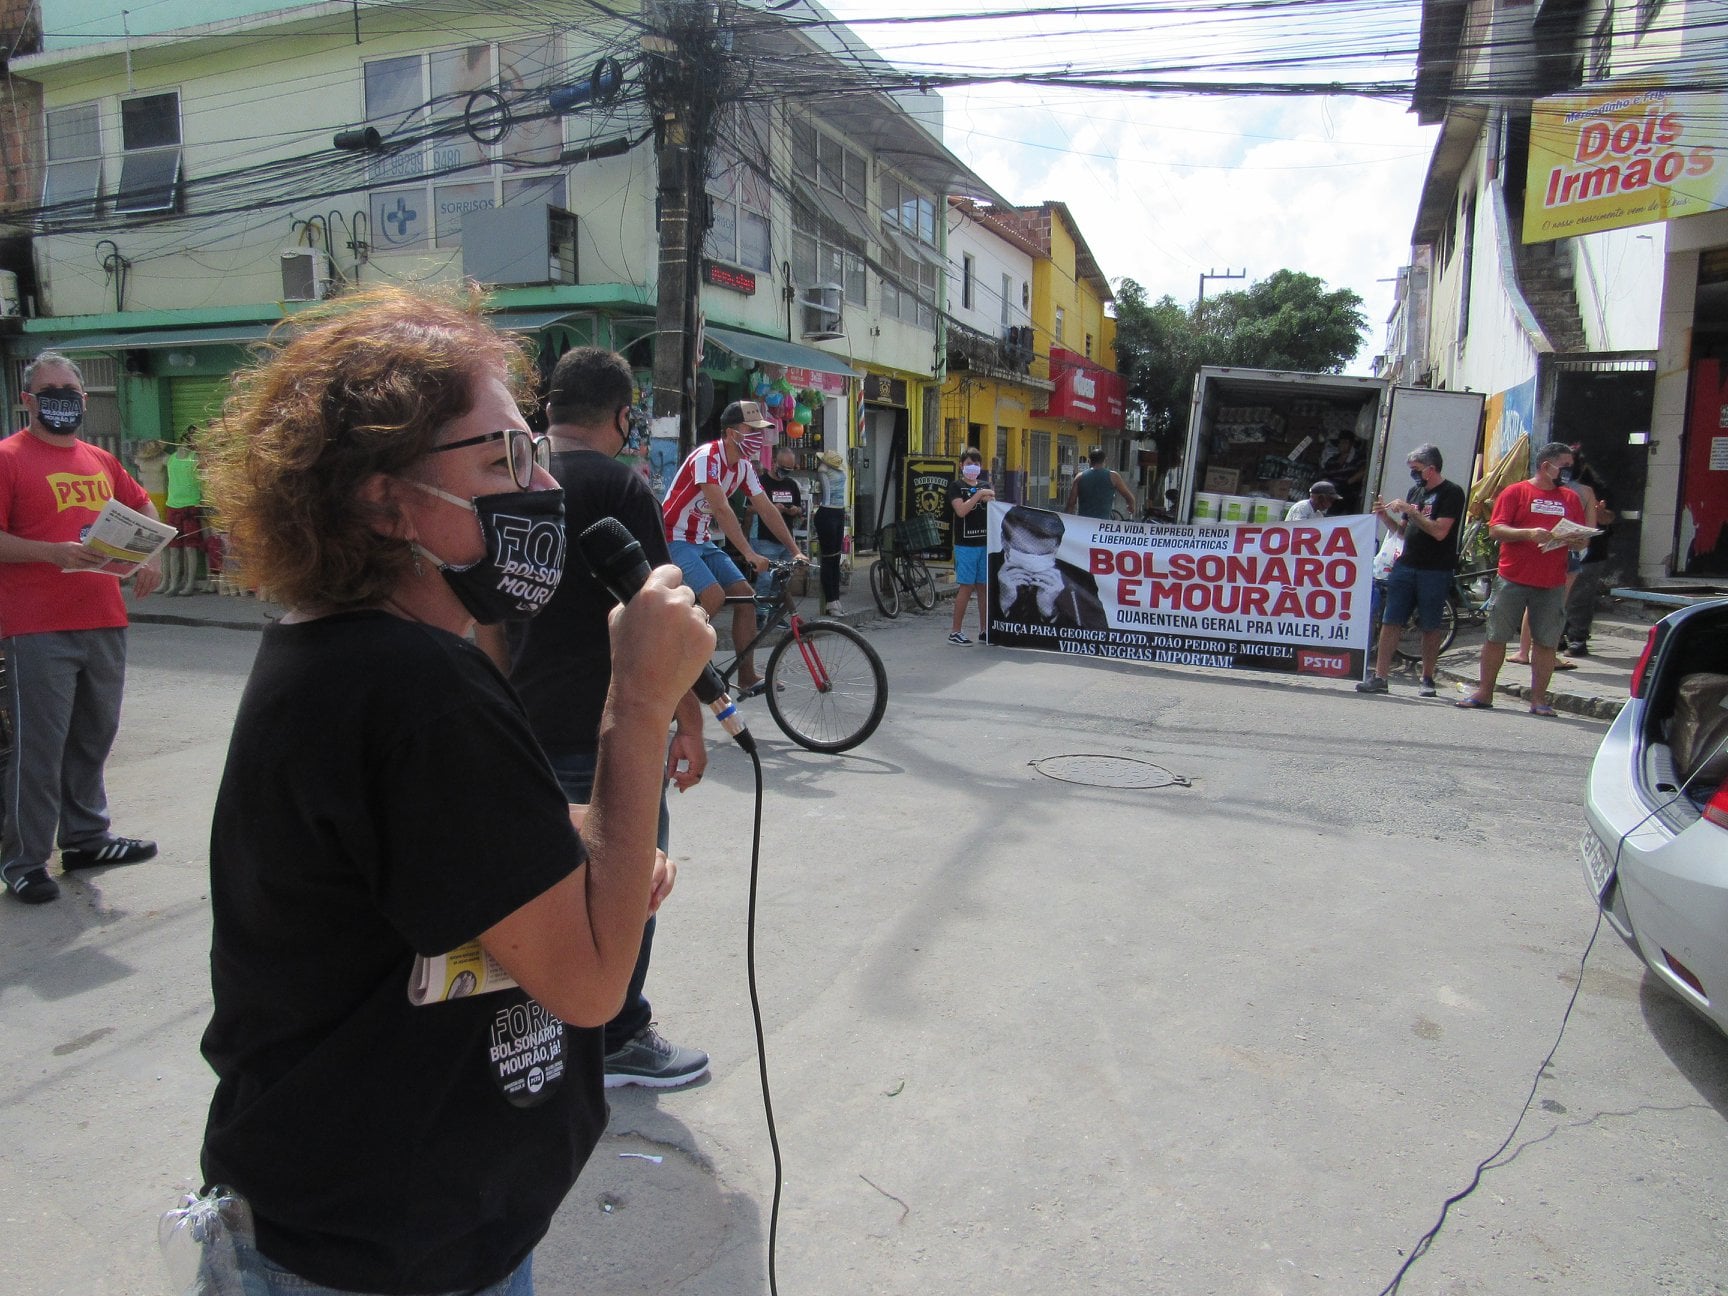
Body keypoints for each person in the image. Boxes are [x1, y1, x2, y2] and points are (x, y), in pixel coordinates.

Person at [194, 285, 713, 1294]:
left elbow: (411, 853)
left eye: (533, 455)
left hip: (386, 1221)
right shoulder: (414, 687)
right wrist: (640, 703)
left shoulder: (348, 652)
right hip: (385, 1252)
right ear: (381, 496)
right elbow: (596, 988)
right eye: (496, 461)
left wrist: (566, 847)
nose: (535, 490)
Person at [481, 347, 710, 1091]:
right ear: (621, 415)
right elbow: (658, 621)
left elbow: (483, 618)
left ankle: (557, 1029)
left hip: (517, 727)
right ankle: (618, 1035)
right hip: (605, 735)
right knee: (628, 883)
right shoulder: (620, 485)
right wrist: (690, 724)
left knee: (534, 888)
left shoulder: (507, 479)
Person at [0, 351, 163, 905]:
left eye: (72, 390)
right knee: (38, 748)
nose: (63, 398)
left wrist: (153, 557)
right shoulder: (8, 458)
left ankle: (87, 839)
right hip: (36, 626)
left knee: (93, 738)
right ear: (29, 400)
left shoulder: (99, 459)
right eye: (50, 390)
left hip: (103, 619)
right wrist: (51, 553)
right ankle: (23, 860)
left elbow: (140, 511)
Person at [662, 400, 805, 696]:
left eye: (758, 430)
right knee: (713, 596)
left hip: (701, 540)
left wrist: (795, 550)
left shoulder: (743, 468)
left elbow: (766, 508)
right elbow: (722, 509)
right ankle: (677, 665)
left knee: (746, 597)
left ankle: (748, 675)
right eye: (749, 429)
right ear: (730, 432)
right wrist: (750, 554)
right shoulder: (707, 457)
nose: (756, 436)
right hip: (673, 537)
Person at [1457, 441, 1587, 716]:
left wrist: (1576, 540)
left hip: (1552, 580)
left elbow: (1579, 538)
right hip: (1513, 576)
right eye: (1564, 466)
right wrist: (1527, 533)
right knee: (1496, 636)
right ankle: (1485, 692)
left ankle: (1539, 699)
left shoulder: (1570, 499)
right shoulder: (1516, 492)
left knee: (1547, 641)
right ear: (1546, 466)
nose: (1567, 472)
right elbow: (1496, 529)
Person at [1356, 445, 1465, 699]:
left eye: (1416, 470)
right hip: (1406, 563)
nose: (1413, 475)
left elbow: (1439, 531)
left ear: (1431, 468)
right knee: (1391, 619)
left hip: (1435, 568)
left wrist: (1411, 511)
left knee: (1430, 624)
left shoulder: (1451, 493)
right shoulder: (1415, 491)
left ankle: (1427, 677)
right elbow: (1403, 532)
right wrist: (1385, 517)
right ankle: (1380, 676)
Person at [1563, 446, 1615, 655]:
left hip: (1591, 551)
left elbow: (1609, 518)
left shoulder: (1595, 487)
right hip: (1560, 547)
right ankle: (1558, 635)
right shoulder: (1555, 486)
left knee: (1581, 596)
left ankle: (1577, 638)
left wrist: (1599, 513)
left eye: (1570, 463)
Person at [947, 446, 994, 645]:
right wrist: (978, 495)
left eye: (976, 464)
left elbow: (993, 507)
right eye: (968, 463)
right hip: (965, 545)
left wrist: (987, 494)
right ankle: (955, 631)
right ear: (961, 465)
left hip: (984, 543)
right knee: (966, 587)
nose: (972, 467)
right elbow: (961, 510)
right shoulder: (956, 486)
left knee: (984, 588)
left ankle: (984, 630)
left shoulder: (985, 484)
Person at [753, 445, 805, 621]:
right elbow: (750, 508)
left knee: (781, 581)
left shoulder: (791, 484)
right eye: (783, 468)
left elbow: (799, 509)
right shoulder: (761, 482)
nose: (785, 472)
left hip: (786, 539)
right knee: (765, 580)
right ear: (774, 462)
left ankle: (775, 616)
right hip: (767, 538)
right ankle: (760, 614)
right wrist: (770, 509)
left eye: (789, 470)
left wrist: (794, 510)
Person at [813, 448, 849, 616]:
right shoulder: (823, 470)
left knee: (836, 557)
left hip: (838, 511)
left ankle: (836, 598)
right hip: (827, 512)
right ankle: (830, 600)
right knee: (828, 558)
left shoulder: (838, 469)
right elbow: (826, 492)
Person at [1065, 448, 1135, 520]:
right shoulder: (1113, 476)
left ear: (1089, 461)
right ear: (1105, 460)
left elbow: (1071, 503)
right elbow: (1129, 497)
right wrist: (1130, 506)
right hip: (1103, 524)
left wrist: (1066, 521)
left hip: (1084, 523)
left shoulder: (1079, 477)